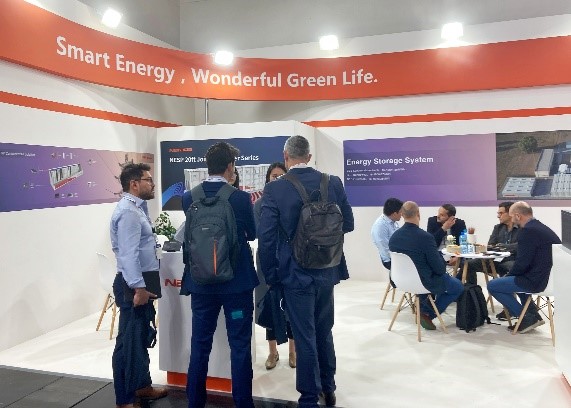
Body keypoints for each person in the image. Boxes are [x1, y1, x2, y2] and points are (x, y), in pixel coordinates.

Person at [258, 135, 354, 408]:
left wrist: (271, 276)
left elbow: (266, 238)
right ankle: (329, 387)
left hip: (295, 274)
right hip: (327, 270)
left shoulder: (275, 189)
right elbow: (348, 223)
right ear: (309, 157)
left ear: (285, 156)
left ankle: (309, 397)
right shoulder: (333, 182)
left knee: (304, 335)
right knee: (324, 330)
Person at [181, 142, 258, 408]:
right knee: (239, 345)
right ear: (230, 166)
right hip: (236, 286)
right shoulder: (240, 199)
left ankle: (195, 403)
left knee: (200, 344)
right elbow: (252, 233)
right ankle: (243, 403)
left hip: (201, 284)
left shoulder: (189, 198)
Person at [110, 163, 167, 408]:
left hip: (142, 280)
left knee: (141, 337)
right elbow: (128, 254)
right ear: (134, 184)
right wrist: (138, 287)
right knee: (128, 343)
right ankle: (125, 399)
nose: (152, 184)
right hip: (133, 284)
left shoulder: (136, 208)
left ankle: (142, 386)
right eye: (148, 180)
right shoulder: (128, 213)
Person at [389, 201, 464, 330]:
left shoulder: (394, 237)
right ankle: (428, 313)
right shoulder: (425, 237)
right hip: (423, 282)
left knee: (434, 276)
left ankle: (425, 309)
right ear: (418, 214)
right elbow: (439, 269)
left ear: (402, 215)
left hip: (401, 281)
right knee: (457, 286)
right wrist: (443, 261)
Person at [487, 201, 561, 333]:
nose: (511, 219)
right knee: (512, 278)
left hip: (536, 280)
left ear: (518, 216)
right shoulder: (539, 227)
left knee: (493, 285)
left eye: (511, 216)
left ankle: (526, 317)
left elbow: (522, 262)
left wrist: (510, 275)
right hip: (549, 278)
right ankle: (532, 315)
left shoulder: (527, 231)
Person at [253, 162, 296, 370]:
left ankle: (293, 352)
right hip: (266, 260)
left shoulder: (294, 202)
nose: (277, 178)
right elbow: (257, 232)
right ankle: (272, 352)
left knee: (292, 307)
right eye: (273, 175)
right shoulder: (259, 205)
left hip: (290, 260)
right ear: (268, 179)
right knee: (269, 306)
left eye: (281, 175)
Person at [463, 201, 520, 285]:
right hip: (494, 260)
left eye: (501, 213)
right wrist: (496, 247)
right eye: (498, 213)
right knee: (468, 264)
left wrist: (503, 246)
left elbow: (520, 246)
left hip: (511, 260)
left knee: (511, 267)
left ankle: (515, 291)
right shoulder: (498, 228)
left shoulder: (522, 228)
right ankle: (472, 290)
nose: (498, 216)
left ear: (510, 213)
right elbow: (491, 245)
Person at [371, 197, 403, 271]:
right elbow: (384, 248)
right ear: (394, 213)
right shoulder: (380, 226)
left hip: (397, 257)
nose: (402, 214)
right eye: (401, 212)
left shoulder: (393, 222)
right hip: (390, 260)